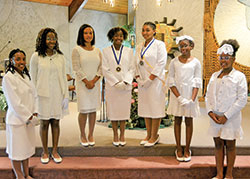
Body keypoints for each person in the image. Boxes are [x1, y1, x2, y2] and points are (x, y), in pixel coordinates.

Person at [206, 39, 247, 179]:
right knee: (218, 144)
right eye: (221, 57)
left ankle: (229, 174)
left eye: (227, 58)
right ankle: (218, 174)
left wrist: (226, 116)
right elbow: (208, 96)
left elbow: (241, 99)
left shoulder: (239, 77)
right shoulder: (214, 76)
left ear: (233, 59)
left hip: (231, 118)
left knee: (230, 145)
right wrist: (210, 112)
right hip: (215, 117)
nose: (223, 61)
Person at [30, 28, 69, 164]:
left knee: (56, 122)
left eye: (54, 38)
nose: (52, 41)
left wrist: (65, 96)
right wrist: (34, 99)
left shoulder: (60, 56)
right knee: (44, 123)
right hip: (42, 96)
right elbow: (32, 79)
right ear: (43, 40)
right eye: (49, 38)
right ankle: (45, 151)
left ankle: (55, 150)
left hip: (57, 94)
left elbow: (64, 77)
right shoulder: (36, 56)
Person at [2, 49, 37, 179]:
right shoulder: (8, 78)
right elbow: (14, 102)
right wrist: (28, 116)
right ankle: (19, 176)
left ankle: (26, 175)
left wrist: (35, 112)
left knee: (25, 149)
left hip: (29, 119)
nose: (21, 62)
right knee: (16, 151)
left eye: (23, 59)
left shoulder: (26, 76)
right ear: (11, 61)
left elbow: (34, 95)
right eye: (18, 59)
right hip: (17, 120)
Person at [166, 35, 201, 162]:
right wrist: (179, 98)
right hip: (178, 94)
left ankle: (187, 148)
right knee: (177, 120)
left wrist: (191, 100)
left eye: (185, 45)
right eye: (181, 46)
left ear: (191, 46)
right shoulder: (174, 62)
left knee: (189, 121)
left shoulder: (196, 62)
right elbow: (171, 80)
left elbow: (197, 81)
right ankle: (178, 147)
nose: (183, 48)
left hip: (190, 94)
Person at [135, 21, 167, 147]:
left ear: (154, 31)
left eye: (147, 30)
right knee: (146, 108)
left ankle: (155, 136)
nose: (145, 33)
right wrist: (138, 78)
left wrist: (150, 79)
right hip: (143, 82)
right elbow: (136, 62)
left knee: (155, 108)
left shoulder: (160, 45)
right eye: (143, 30)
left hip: (155, 82)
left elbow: (161, 63)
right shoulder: (139, 46)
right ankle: (148, 135)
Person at [102, 27, 135, 147]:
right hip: (113, 87)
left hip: (125, 87)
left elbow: (132, 68)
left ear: (124, 37)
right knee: (114, 111)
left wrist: (126, 81)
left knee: (123, 112)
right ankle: (115, 135)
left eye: (121, 36)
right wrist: (116, 82)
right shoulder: (105, 51)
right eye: (116, 35)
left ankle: (122, 135)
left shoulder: (129, 51)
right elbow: (105, 69)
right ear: (112, 37)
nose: (118, 38)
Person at [72, 24, 102, 147]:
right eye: (86, 33)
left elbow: (101, 68)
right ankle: (83, 135)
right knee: (84, 110)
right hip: (83, 85)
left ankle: (91, 134)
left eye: (90, 33)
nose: (88, 35)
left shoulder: (97, 50)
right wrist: (86, 81)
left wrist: (94, 81)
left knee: (93, 110)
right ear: (81, 35)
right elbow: (76, 68)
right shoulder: (77, 50)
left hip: (94, 84)